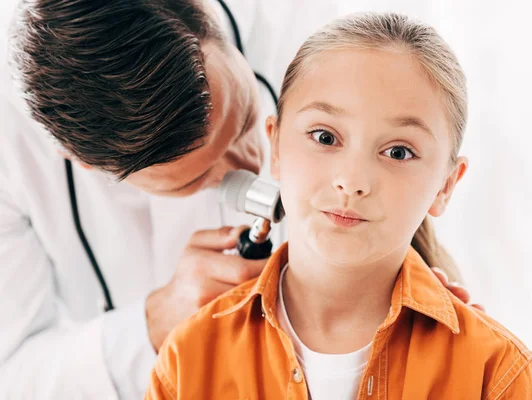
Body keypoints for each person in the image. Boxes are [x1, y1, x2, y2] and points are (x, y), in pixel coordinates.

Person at [1, 1, 476, 398]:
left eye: (247, 119)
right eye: (199, 176)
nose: (251, 165)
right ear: (87, 164)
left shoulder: (307, 29)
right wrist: (154, 324)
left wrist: (396, 282)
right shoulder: (14, 157)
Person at [145, 12, 532, 400]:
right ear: (277, 147)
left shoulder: (496, 373)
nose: (352, 181)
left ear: (445, 186)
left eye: (398, 151)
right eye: (325, 137)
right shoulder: (188, 360)